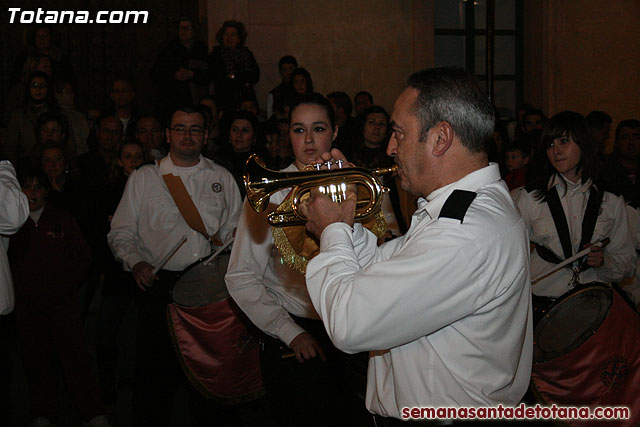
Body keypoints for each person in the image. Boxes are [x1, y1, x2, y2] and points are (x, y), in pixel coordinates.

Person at [298, 68, 533, 422]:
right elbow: (383, 271)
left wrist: (331, 229)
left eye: (398, 133)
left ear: (440, 138)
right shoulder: (460, 208)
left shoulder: (466, 230)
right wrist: (346, 217)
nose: (390, 148)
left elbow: (349, 323)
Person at [225, 93, 370, 426]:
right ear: (287, 134)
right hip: (296, 330)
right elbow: (241, 276)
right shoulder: (270, 194)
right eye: (298, 129)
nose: (307, 139)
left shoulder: (355, 189)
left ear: (334, 132)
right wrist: (289, 331)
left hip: (353, 326)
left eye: (318, 128)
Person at [108, 105, 242, 426]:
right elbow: (121, 232)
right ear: (168, 135)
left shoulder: (221, 177)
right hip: (159, 288)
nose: (187, 135)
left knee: (208, 377)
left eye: (195, 129)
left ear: (205, 135)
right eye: (180, 128)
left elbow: (234, 230)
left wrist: (237, 239)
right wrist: (136, 262)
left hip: (209, 290)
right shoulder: (145, 178)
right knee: (155, 379)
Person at [9, 166, 110, 427]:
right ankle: (43, 412)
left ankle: (91, 412)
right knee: (35, 359)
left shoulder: (61, 219)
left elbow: (83, 256)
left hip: (63, 304)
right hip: (27, 307)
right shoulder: (11, 225)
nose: (32, 193)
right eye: (26, 187)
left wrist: (65, 287)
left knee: (76, 358)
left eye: (38, 187)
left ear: (46, 192)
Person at [513, 111, 636, 302]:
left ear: (584, 143)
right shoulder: (529, 197)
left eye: (563, 141)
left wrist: (604, 262)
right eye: (550, 144)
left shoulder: (611, 200)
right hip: (542, 299)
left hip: (593, 302)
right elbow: (511, 257)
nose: (556, 151)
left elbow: (627, 263)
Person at [151, 18, 210, 117]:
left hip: (196, 99)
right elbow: (156, 73)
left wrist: (192, 74)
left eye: (187, 28)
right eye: (181, 28)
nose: (184, 31)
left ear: (194, 30)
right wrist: (174, 75)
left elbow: (208, 73)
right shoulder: (169, 49)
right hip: (174, 98)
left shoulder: (201, 49)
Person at [208, 20, 260, 113]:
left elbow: (254, 76)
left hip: (246, 100)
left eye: (233, 35)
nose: (229, 38)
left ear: (239, 38)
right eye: (226, 34)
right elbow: (219, 77)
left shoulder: (246, 54)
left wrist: (234, 76)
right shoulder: (216, 55)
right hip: (225, 101)